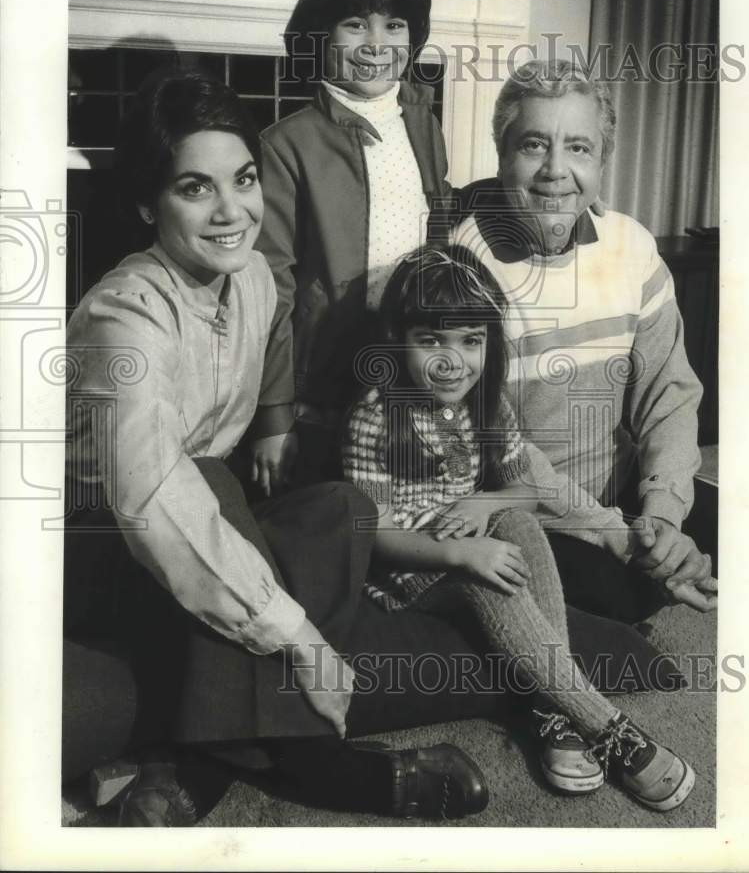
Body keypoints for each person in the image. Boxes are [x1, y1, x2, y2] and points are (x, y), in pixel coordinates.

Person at [62, 70, 490, 825]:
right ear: (145, 205)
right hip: (91, 547)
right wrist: (301, 639)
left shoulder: (253, 276)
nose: (233, 211)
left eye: (245, 179)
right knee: (210, 487)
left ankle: (201, 760)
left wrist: (275, 432)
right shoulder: (121, 318)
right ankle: (318, 764)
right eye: (196, 189)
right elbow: (157, 500)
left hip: (192, 524)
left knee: (342, 509)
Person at [342, 245, 704, 810]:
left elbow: (529, 493)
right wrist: (462, 556)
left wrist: (487, 505)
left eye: (470, 341)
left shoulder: (485, 406)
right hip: (412, 563)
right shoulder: (374, 416)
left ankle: (549, 710)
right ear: (396, 339)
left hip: (474, 537)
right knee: (494, 574)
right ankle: (607, 728)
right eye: (430, 340)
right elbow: (375, 535)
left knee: (514, 522)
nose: (451, 361)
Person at [448, 59, 718, 622]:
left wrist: (662, 516)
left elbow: (668, 395)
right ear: (502, 157)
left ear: (601, 161)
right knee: (621, 594)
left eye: (578, 148)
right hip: (523, 508)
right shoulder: (463, 268)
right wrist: (616, 535)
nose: (555, 171)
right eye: (533, 146)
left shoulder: (632, 247)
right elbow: (503, 450)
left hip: (615, 493)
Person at [254, 0, 453, 486]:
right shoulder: (286, 145)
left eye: (394, 26)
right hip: (325, 389)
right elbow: (272, 289)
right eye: (355, 23)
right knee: (331, 525)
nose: (375, 43)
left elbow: (443, 213)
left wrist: (533, 200)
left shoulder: (424, 125)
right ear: (321, 34)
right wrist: (274, 416)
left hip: (413, 379)